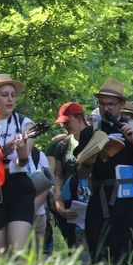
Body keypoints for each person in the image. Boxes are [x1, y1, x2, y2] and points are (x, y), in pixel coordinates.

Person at [73, 79, 133, 265]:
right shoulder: (89, 133)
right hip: (101, 201)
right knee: (102, 258)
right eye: (102, 104)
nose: (106, 109)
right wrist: (88, 163)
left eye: (111, 104)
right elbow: (79, 173)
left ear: (121, 104)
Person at [0, 74, 36, 254]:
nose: (10, 99)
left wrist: (22, 152)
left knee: (18, 252)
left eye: (13, 95)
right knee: (0, 255)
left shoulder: (24, 123)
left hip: (18, 186)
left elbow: (24, 160)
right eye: (5, 95)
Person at [47, 102, 88, 248]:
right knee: (73, 241)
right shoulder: (62, 145)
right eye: (62, 123)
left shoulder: (95, 137)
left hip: (91, 198)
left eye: (68, 122)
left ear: (79, 118)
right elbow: (58, 174)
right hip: (70, 200)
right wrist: (58, 195)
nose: (65, 126)